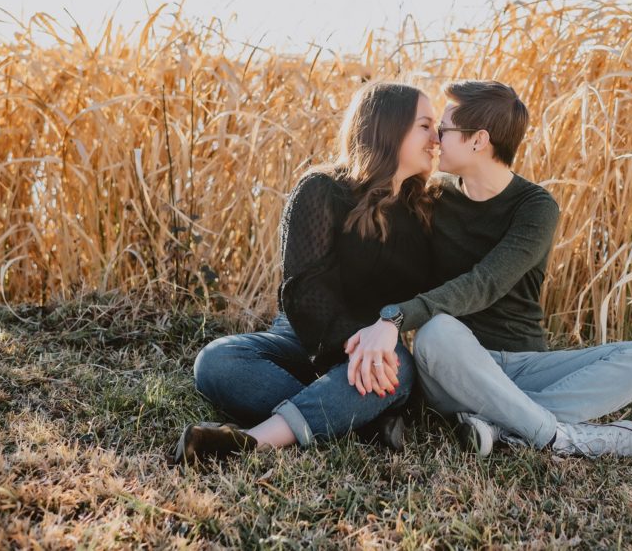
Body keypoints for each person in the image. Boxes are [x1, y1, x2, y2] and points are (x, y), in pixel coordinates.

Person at [345, 80, 632, 458]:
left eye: (443, 131)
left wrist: (395, 318)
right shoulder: (433, 197)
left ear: (478, 140)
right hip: (455, 367)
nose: (434, 140)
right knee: (437, 332)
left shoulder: (535, 207)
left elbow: (486, 282)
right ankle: (560, 438)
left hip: (524, 364)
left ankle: (501, 426)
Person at [172, 81, 439, 465]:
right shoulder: (323, 188)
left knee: (391, 368)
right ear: (390, 128)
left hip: (381, 348)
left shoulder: (426, 209)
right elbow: (304, 290)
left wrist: (377, 339)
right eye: (425, 126)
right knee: (216, 362)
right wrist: (356, 342)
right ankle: (360, 420)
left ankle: (252, 439)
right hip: (305, 336)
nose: (437, 138)